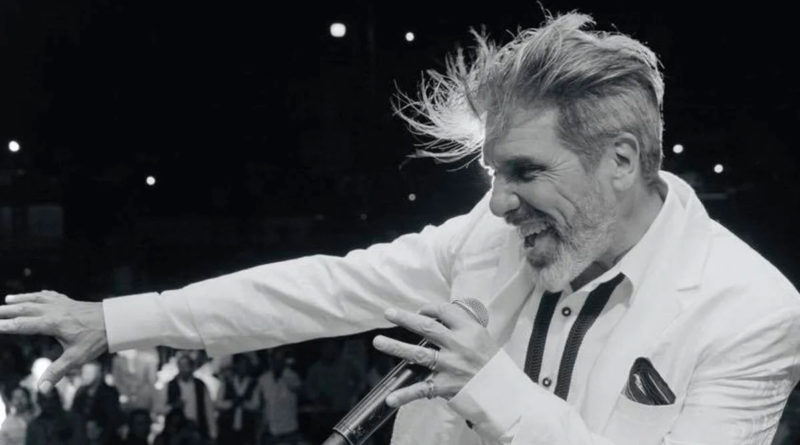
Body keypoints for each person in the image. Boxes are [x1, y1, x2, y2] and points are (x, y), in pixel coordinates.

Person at [1, 11, 799, 445]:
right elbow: (321, 289)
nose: (497, 205)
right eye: (492, 174)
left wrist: (495, 387)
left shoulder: (752, 311)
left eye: (524, 172)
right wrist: (115, 320)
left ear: (621, 160)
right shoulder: (489, 239)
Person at [156, 353, 217, 441]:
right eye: (182, 366)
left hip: (197, 430)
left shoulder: (200, 385)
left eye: (187, 366)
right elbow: (158, 409)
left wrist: (213, 433)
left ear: (192, 367)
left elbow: (209, 410)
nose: (185, 370)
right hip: (175, 433)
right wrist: (172, 406)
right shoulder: (169, 386)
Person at [256, 347, 302, 445]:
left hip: (289, 432)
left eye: (281, 360)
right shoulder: (263, 379)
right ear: (271, 360)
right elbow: (261, 405)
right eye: (276, 359)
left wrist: (283, 375)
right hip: (270, 432)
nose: (278, 363)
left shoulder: (293, 377)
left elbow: (298, 389)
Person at [71, 360, 124, 442]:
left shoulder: (110, 393)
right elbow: (75, 413)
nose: (85, 376)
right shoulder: (80, 392)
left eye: (89, 373)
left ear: (99, 374)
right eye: (84, 373)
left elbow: (112, 418)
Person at [216, 354, 259, 445]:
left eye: (245, 365)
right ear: (235, 366)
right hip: (227, 429)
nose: (242, 367)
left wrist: (243, 403)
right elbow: (218, 403)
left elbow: (255, 405)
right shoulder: (227, 383)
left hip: (247, 429)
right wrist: (232, 403)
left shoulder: (253, 384)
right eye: (240, 364)